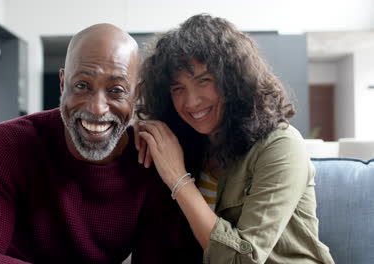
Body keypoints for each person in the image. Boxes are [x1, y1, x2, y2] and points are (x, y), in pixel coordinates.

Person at [0, 23, 201, 264]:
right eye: (82, 85)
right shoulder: (11, 143)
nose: (97, 108)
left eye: (116, 90)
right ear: (63, 83)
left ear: (137, 94)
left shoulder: (150, 160)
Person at [135, 14, 335, 263]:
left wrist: (178, 179)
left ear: (232, 80)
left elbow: (244, 259)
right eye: (177, 88)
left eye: (204, 81)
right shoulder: (191, 143)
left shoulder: (281, 145)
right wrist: (137, 132)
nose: (191, 101)